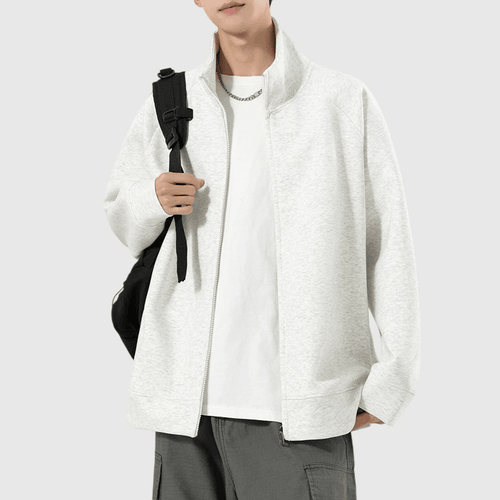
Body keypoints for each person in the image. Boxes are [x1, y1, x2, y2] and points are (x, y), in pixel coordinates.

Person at [104, 1, 421, 498]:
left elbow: (388, 245)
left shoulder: (341, 101)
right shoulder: (172, 100)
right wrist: (153, 199)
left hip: (301, 413)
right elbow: (124, 221)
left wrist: (393, 381)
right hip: (187, 414)